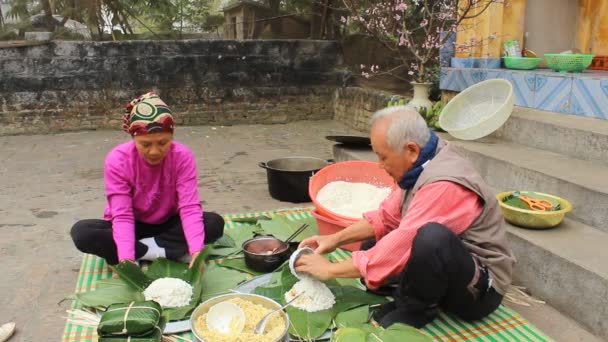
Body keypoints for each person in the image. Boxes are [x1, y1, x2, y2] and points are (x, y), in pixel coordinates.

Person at [296, 106, 515, 328]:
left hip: (478, 289)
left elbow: (403, 243)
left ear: (410, 150)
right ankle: (410, 292)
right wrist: (334, 239)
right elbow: (385, 218)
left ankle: (419, 308)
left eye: (383, 157)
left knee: (431, 238)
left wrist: (329, 269)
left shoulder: (445, 184)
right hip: (447, 269)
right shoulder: (423, 162)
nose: (380, 166)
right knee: (371, 244)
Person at [71, 92, 224, 267]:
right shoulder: (118, 160)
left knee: (213, 223)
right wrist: (126, 260)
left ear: (172, 137)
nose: (154, 151)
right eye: (145, 144)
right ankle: (162, 251)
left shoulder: (182, 156)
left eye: (163, 143)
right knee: (83, 233)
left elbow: (189, 207)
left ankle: (145, 252)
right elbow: (122, 216)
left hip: (168, 222)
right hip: (133, 225)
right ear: (133, 138)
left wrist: (197, 251)